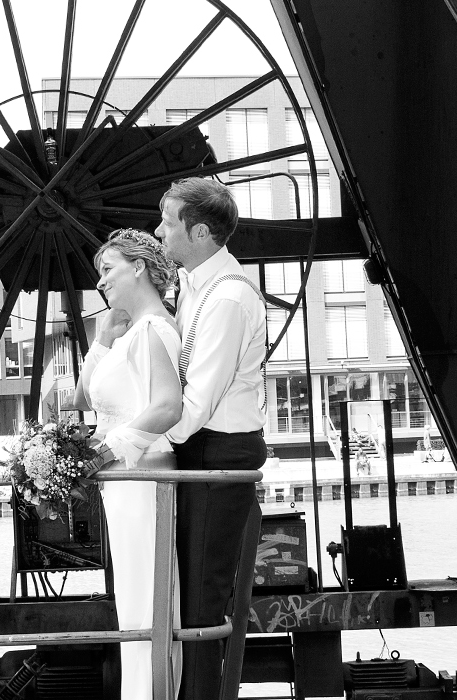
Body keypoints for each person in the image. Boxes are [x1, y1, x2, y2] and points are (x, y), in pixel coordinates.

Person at [156, 177, 268, 700]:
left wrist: (135, 440)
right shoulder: (198, 289)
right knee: (190, 592)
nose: (159, 231)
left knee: (202, 596)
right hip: (202, 446)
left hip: (217, 449)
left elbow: (197, 401)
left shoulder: (226, 300)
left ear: (199, 232)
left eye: (167, 221)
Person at [75, 229, 186, 700]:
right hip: (122, 482)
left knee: (146, 599)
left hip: (142, 479)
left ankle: (153, 692)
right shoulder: (128, 335)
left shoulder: (155, 329)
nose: (100, 282)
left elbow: (167, 407)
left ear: (138, 268)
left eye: (107, 270)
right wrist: (101, 339)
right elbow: (83, 398)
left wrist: (106, 450)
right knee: (132, 600)